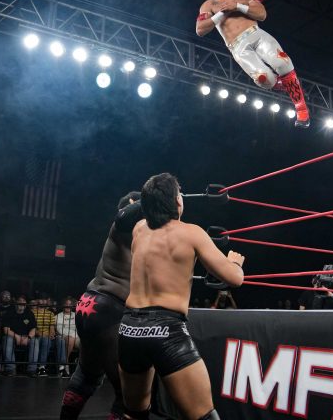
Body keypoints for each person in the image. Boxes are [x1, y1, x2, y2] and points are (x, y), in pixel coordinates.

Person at [118, 173, 245, 420]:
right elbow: (234, 279)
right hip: (166, 330)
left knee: (134, 413)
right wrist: (235, 263)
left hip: (130, 329)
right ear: (177, 200)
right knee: (204, 416)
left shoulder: (139, 229)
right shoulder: (191, 233)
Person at [196, 0, 309, 128]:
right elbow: (200, 29)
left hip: (256, 34)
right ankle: (285, 85)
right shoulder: (210, 4)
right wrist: (221, 14)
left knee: (282, 62)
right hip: (237, 46)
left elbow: (262, 14)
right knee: (264, 79)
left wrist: (238, 6)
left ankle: (301, 109)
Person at [60, 191, 141, 420]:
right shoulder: (122, 225)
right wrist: (156, 197)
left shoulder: (140, 237)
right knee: (127, 392)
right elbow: (124, 215)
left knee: (87, 375)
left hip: (91, 304)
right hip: (107, 307)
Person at [55, 297, 79, 378]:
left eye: (70, 304)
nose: (68, 306)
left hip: (76, 336)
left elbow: (79, 327)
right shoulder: (58, 316)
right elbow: (59, 330)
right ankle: (66, 363)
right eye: (66, 304)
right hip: (65, 336)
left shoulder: (76, 315)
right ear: (63, 305)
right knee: (70, 339)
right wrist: (71, 334)